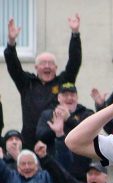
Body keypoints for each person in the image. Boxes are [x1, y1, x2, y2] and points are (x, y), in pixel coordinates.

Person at [4, 14, 81, 149]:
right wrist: (11, 43)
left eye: (50, 63)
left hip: (53, 143)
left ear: (56, 68)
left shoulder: (62, 82)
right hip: (29, 143)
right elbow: (13, 66)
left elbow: (74, 62)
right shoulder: (27, 83)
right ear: (36, 68)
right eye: (43, 63)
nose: (47, 66)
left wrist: (75, 34)